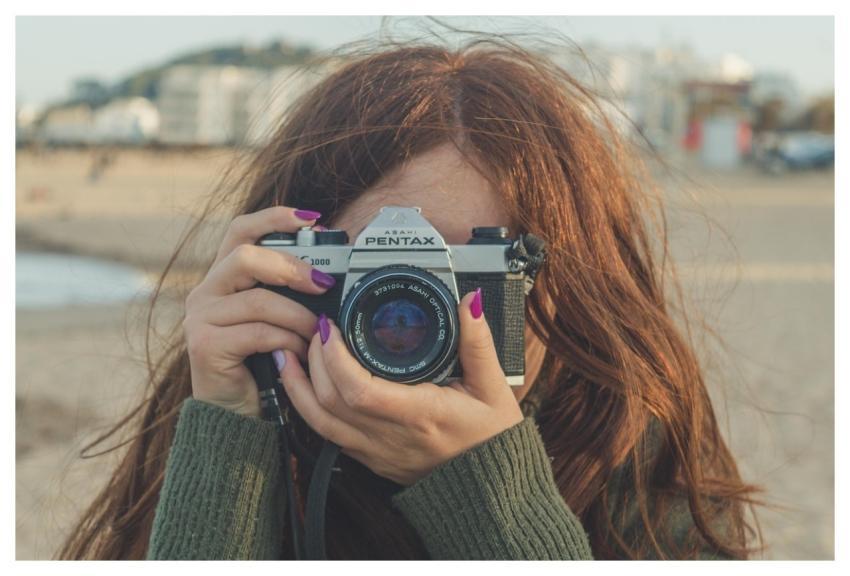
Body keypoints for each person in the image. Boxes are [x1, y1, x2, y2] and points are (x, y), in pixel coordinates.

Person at [58, 36, 761, 560]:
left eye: (460, 268)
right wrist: (230, 429)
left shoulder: (632, 449)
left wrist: (491, 496)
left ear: (569, 284)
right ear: (291, 268)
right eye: (372, 264)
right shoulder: (249, 421)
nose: (408, 314)